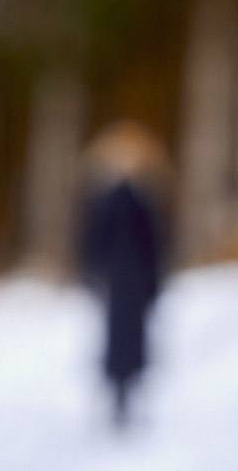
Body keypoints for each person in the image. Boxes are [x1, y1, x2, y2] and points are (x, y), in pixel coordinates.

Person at [77, 121, 171, 427]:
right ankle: (118, 394)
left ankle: (127, 393)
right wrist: (91, 274)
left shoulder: (144, 196)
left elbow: (156, 242)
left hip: (135, 280)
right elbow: (90, 239)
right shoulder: (103, 197)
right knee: (115, 340)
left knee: (133, 339)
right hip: (115, 281)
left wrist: (154, 278)